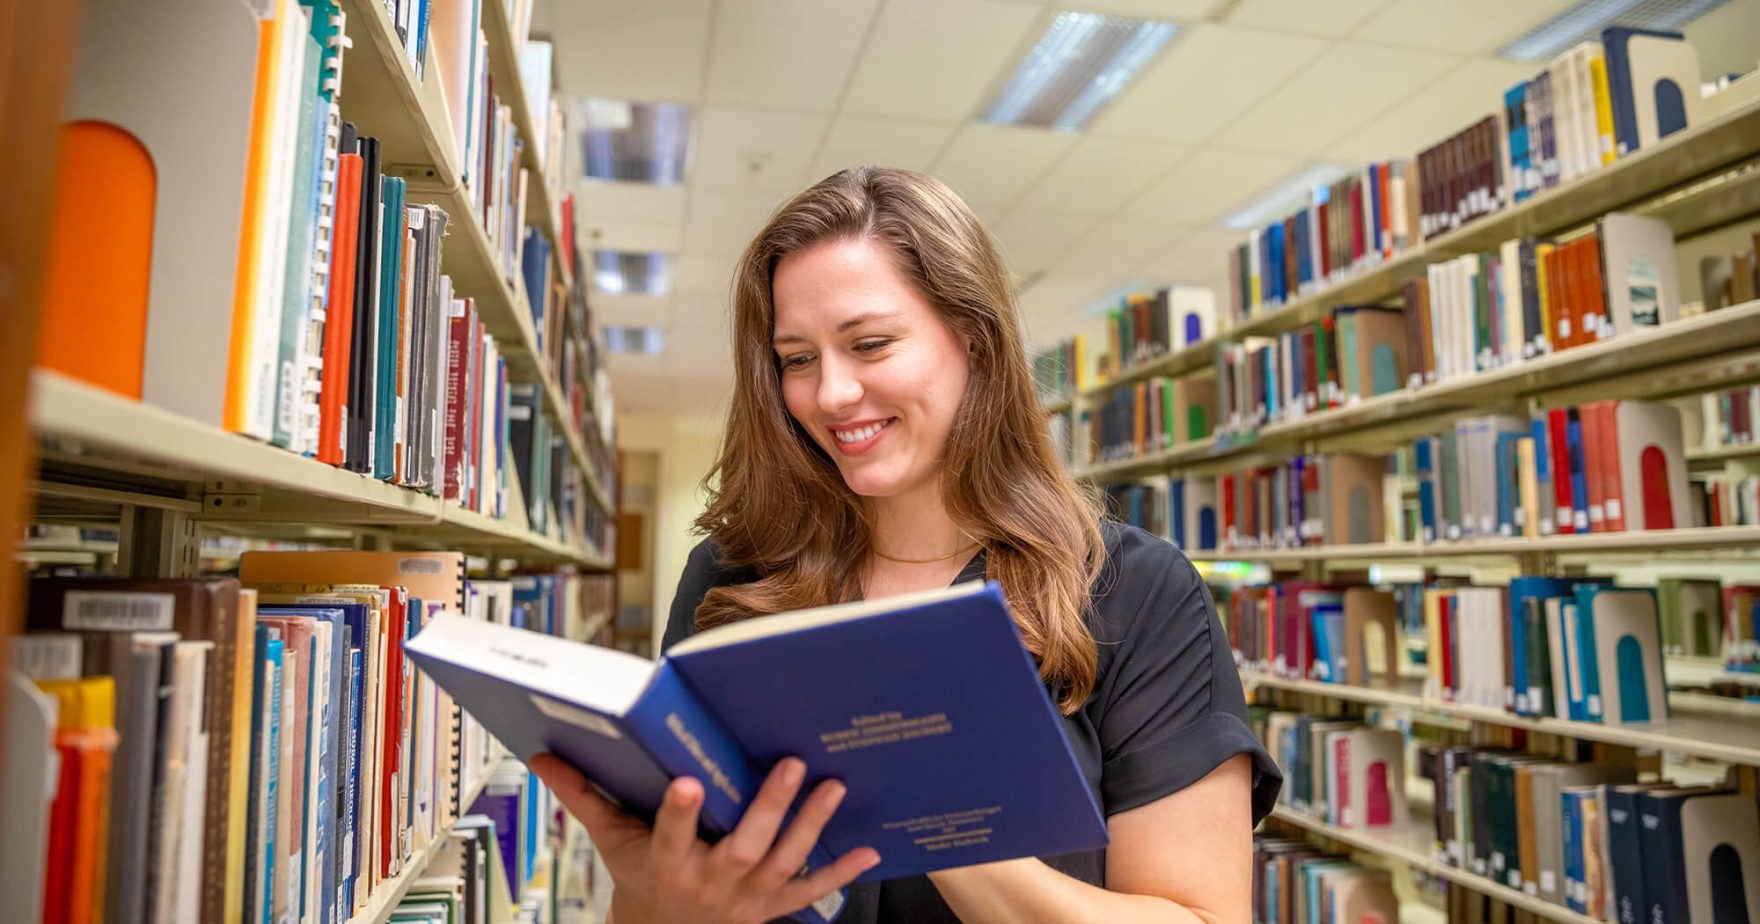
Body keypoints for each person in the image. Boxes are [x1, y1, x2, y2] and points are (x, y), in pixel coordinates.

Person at [530, 166, 1282, 924]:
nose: (829, 395)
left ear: (975, 342)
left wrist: (933, 815)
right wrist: (660, 897)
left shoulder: (1133, 592)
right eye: (797, 359)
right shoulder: (732, 579)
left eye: (870, 343)